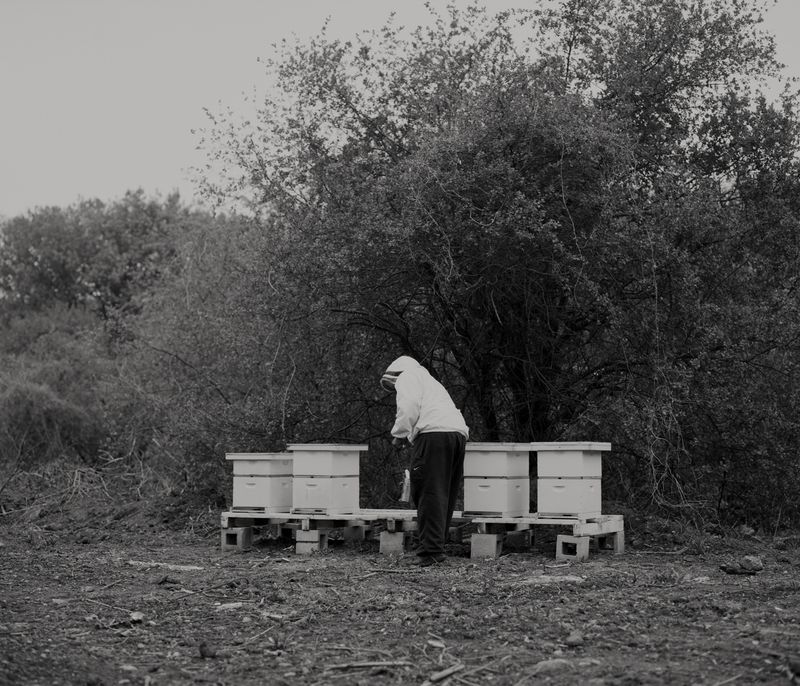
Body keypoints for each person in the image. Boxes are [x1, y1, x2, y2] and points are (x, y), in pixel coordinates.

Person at [380, 356, 469, 566]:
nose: (395, 390)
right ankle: (435, 546)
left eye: (392, 387)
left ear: (394, 374)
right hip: (456, 435)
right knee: (443, 492)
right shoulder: (430, 381)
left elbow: (408, 405)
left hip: (433, 436)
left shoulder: (407, 376)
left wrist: (400, 434)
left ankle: (430, 552)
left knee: (428, 492)